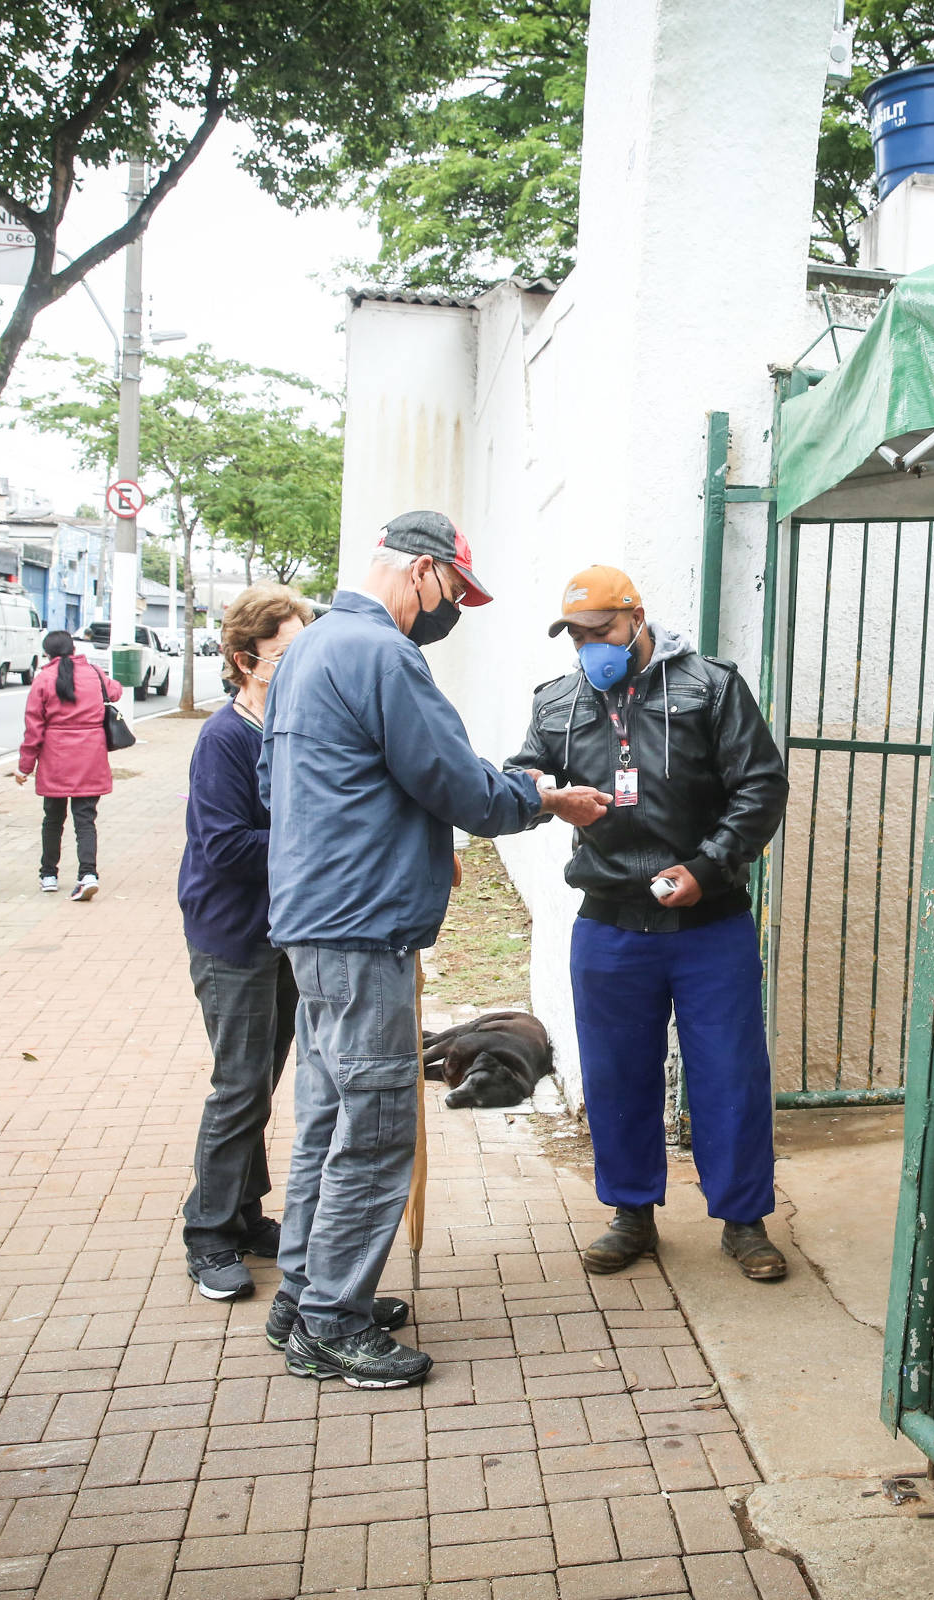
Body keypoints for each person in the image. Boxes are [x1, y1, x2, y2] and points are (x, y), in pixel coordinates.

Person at [264, 513, 609, 1388]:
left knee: (326, 1116)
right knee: (376, 1123)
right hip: (360, 925)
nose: (451, 610)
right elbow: (454, 782)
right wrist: (542, 800)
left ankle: (304, 1294)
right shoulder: (383, 655)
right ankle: (332, 1324)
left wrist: (399, 828)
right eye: (453, 592)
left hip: (316, 917)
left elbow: (301, 782)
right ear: (422, 572)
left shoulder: (309, 648)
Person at [509, 566, 792, 1283]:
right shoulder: (559, 703)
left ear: (636, 618)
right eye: (575, 636)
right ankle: (631, 1212)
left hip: (710, 923)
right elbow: (522, 776)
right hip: (609, 923)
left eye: (599, 631)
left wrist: (709, 865)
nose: (588, 647)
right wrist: (547, 795)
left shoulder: (711, 687)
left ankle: (743, 1220)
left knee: (729, 1073)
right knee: (616, 1075)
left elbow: (761, 785)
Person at [177, 585, 312, 1304]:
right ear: (242, 660)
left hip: (283, 930)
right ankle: (208, 1235)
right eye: (283, 655)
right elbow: (225, 846)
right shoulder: (225, 738)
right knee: (239, 1086)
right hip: (232, 936)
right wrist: (311, 839)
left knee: (260, 1081)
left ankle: (244, 1212)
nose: (295, 668)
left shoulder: (285, 726)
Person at [15, 631, 120, 900]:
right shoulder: (94, 673)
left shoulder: (43, 680)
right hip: (90, 756)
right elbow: (115, 691)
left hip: (55, 758)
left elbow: (33, 727)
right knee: (85, 819)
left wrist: (25, 767)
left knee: (53, 819)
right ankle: (88, 874)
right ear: (74, 648)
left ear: (47, 654)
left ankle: (48, 874)